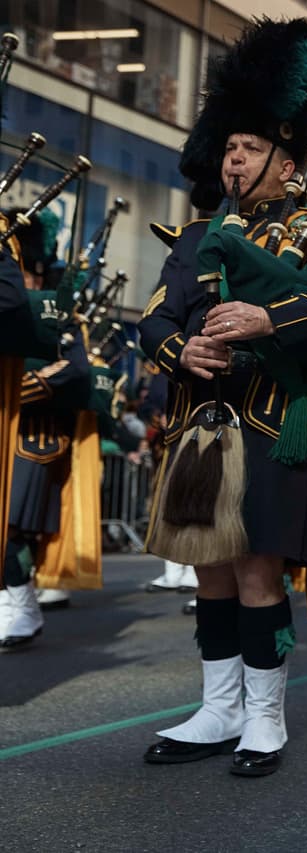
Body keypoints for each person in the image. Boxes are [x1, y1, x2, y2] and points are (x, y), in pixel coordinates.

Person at [138, 17, 307, 777]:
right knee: (208, 566)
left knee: (255, 573)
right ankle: (219, 705)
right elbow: (156, 319)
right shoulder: (196, 236)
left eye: (249, 149)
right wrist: (185, 347)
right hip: (203, 422)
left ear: (288, 164)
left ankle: (265, 716)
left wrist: (272, 315)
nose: (232, 159)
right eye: (229, 148)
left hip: (276, 421)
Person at [1, 211, 91, 647]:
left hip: (33, 432)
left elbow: (76, 371)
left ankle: (22, 607)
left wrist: (23, 389)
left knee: (10, 528)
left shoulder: (58, 310)